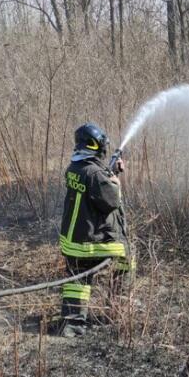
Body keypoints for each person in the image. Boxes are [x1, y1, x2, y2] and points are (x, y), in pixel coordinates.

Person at [58, 123, 131, 337]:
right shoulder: (95, 174)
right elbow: (110, 201)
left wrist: (108, 172)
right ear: (96, 146)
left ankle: (71, 324)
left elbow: (92, 188)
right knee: (127, 261)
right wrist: (116, 181)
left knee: (77, 279)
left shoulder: (74, 168)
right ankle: (116, 308)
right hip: (94, 241)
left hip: (74, 241)